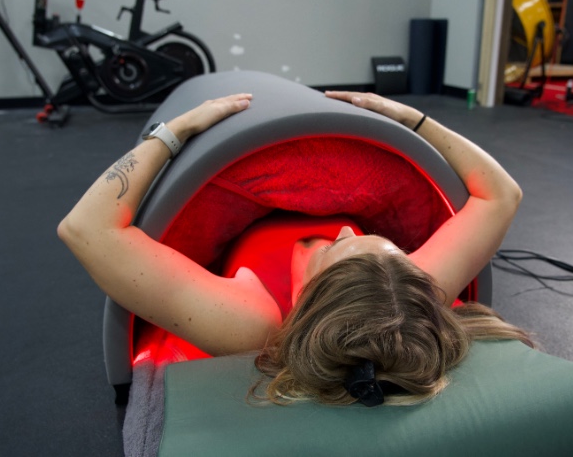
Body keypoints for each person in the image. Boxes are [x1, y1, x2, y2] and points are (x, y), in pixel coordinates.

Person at [57, 91, 533, 408]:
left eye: (340, 245)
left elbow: (86, 229)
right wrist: (412, 119)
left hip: (234, 204)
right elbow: (501, 195)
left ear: (311, 295)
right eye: (367, 237)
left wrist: (172, 132)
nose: (345, 229)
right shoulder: (398, 291)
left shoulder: (255, 323)